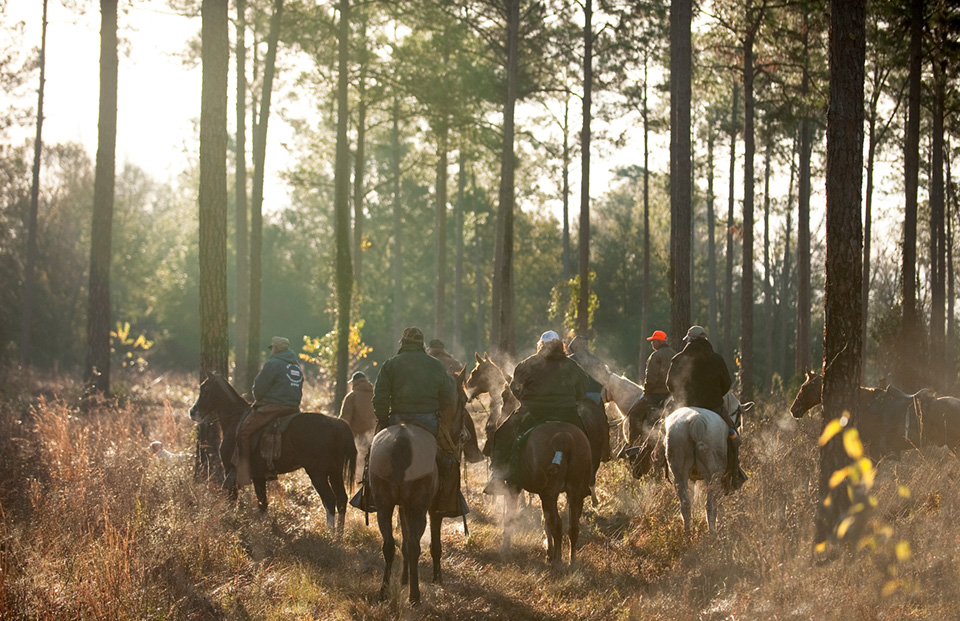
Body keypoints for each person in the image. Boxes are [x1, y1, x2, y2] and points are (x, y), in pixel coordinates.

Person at [485, 330, 591, 495]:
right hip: (566, 413)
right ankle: (585, 480)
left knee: (502, 435)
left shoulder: (528, 364)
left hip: (532, 413)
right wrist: (570, 400)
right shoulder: (571, 365)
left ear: (541, 345)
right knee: (585, 440)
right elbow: (584, 387)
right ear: (560, 345)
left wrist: (526, 400)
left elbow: (515, 388)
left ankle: (498, 475)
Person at [666, 325, 745, 491]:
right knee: (732, 436)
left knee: (663, 430)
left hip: (684, 405)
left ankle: (660, 459)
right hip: (713, 405)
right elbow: (726, 385)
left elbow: (669, 384)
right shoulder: (717, 359)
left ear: (689, 340)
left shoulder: (678, 359)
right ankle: (734, 472)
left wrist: (682, 397)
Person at [232, 336, 303, 487]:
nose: (272, 351)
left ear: (276, 348)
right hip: (293, 409)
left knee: (243, 431)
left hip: (273, 407)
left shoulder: (273, 363)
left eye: (272, 348)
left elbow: (258, 389)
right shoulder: (296, 366)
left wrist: (259, 397)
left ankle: (244, 473)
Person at [372, 327, 455, 437]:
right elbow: (447, 395)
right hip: (428, 419)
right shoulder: (437, 365)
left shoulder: (390, 364)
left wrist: (383, 419)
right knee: (447, 450)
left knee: (374, 449)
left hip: (397, 418)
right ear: (422, 344)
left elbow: (380, 396)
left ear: (403, 343)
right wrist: (437, 410)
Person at [626, 330, 677, 442]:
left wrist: (646, 392)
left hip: (657, 395)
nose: (652, 344)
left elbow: (651, 379)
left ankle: (634, 445)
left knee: (634, 414)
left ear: (658, 342)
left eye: (653, 341)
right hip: (673, 394)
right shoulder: (675, 354)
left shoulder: (656, 356)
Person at [338, 371, 376, 474]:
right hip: (373, 438)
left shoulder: (351, 396)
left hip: (356, 439)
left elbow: (345, 419)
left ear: (354, 382)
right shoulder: (375, 395)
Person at [567, 335, 605, 406]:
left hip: (578, 397)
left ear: (574, 347)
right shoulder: (597, 360)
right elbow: (604, 379)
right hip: (595, 396)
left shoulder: (570, 360)